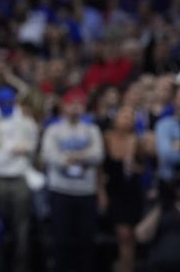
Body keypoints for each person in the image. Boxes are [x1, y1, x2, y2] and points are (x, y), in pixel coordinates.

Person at [40, 87, 104, 272]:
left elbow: (98, 154)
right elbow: (48, 155)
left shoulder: (92, 129)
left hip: (86, 192)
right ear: (63, 106)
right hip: (60, 191)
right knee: (61, 240)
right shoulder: (53, 130)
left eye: (79, 103)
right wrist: (76, 158)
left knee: (86, 241)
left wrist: (71, 157)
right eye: (71, 103)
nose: (75, 107)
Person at [0, 85, 39, 271]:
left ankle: (19, 268)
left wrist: (25, 148)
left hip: (18, 178)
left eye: (9, 102)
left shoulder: (25, 119)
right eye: (2, 102)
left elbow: (32, 145)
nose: (5, 105)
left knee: (21, 230)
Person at [101, 105, 146, 272]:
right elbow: (100, 168)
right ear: (116, 118)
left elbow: (143, 166)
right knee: (123, 234)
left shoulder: (136, 141)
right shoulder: (106, 138)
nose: (128, 120)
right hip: (114, 191)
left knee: (129, 236)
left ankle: (127, 267)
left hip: (131, 191)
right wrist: (101, 192)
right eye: (124, 116)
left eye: (131, 117)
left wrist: (136, 167)